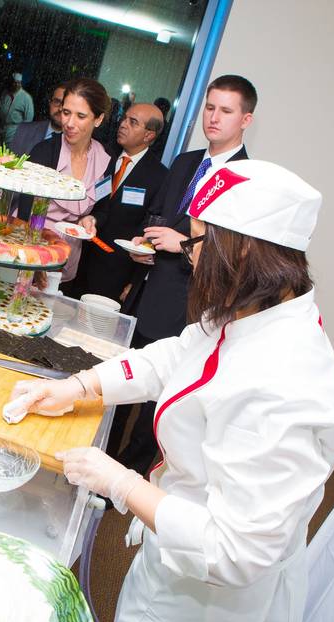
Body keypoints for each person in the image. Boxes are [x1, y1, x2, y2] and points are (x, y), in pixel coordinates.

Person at [7, 159, 334, 622]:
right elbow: (174, 357)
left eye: (196, 241)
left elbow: (232, 551)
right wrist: (79, 387)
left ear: (243, 248)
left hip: (207, 606)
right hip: (174, 542)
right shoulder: (256, 310)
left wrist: (122, 484)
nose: (189, 256)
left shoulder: (286, 385)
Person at [114, 74, 256, 476]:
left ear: (246, 120)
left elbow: (238, 253)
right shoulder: (185, 162)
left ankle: (127, 476)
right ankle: (103, 456)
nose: (213, 118)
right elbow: (157, 214)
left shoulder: (248, 180)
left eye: (225, 111)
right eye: (210, 108)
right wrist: (145, 243)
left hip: (190, 303)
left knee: (158, 399)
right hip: (147, 289)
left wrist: (185, 245)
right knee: (126, 377)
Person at [67, 102, 167, 301]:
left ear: (149, 135)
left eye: (133, 122)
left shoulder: (160, 177)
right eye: (124, 118)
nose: (123, 125)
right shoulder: (102, 156)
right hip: (78, 256)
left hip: (114, 273)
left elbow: (148, 230)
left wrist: (134, 281)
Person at [17, 78, 111, 283]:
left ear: (98, 119)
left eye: (81, 116)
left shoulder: (104, 160)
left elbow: (103, 210)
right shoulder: (44, 152)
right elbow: (25, 211)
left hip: (67, 258)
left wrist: (91, 219)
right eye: (66, 113)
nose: (69, 123)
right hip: (30, 250)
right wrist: (34, 261)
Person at [9, 81, 65, 157]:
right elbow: (10, 164)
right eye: (57, 102)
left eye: (66, 104)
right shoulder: (24, 131)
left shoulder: (80, 144)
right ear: (50, 103)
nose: (61, 108)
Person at [0, 72, 34, 145]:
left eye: (18, 83)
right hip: (1, 129)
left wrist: (21, 134)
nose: (16, 85)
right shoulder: (5, 94)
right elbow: (0, 108)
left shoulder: (26, 98)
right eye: (14, 83)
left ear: (21, 84)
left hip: (15, 131)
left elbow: (28, 119)